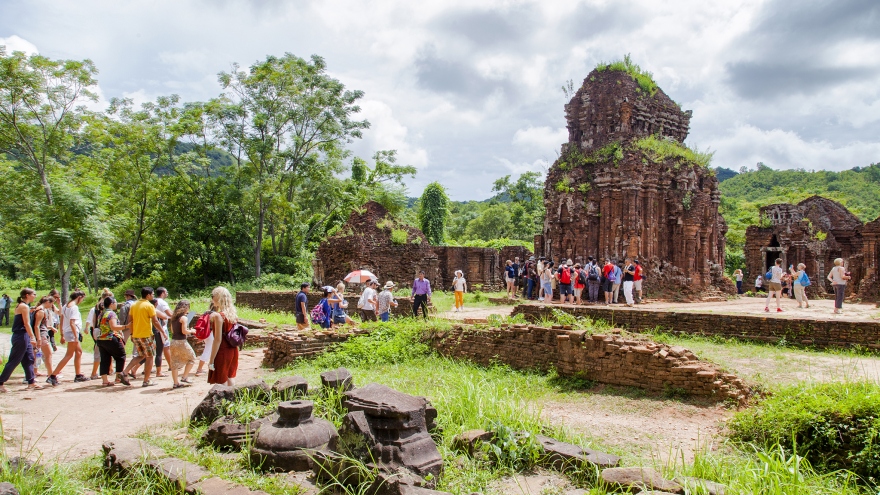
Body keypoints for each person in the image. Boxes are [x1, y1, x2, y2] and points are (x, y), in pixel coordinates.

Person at [0, 288, 41, 392]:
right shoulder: (23, 306)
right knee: (14, 360)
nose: (35, 296)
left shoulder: (24, 306)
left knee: (29, 358)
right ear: (27, 295)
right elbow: (26, 324)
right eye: (34, 294)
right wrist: (33, 337)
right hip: (21, 336)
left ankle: (31, 382)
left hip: (23, 335)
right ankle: (0, 383)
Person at [49, 290, 87, 384]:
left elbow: (62, 319)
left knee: (79, 352)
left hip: (68, 332)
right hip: (72, 332)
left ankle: (78, 375)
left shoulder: (66, 305)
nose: (82, 300)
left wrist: (62, 333)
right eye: (82, 299)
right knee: (69, 355)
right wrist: (76, 336)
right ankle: (53, 376)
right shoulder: (74, 307)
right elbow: (72, 323)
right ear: (79, 297)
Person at [129, 287, 164, 387]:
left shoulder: (134, 305)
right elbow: (156, 321)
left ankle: (125, 372)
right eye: (152, 294)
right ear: (148, 295)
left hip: (136, 335)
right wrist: (163, 332)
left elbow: (130, 321)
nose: (153, 296)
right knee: (149, 357)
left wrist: (132, 333)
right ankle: (146, 380)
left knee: (141, 356)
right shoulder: (149, 305)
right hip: (146, 335)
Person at [93, 296, 131, 387]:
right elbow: (114, 327)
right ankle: (118, 377)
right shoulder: (111, 314)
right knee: (121, 356)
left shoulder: (101, 313)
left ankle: (105, 381)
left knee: (105, 359)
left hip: (101, 339)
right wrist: (126, 326)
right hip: (111, 338)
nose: (116, 304)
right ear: (111, 304)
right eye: (115, 303)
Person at [207, 286, 239, 386]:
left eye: (213, 296)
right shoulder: (232, 314)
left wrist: (211, 359)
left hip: (223, 350)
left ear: (217, 298)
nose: (212, 299)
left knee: (221, 378)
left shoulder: (218, 316)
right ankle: (233, 400)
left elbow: (217, 339)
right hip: (233, 349)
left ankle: (224, 400)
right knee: (230, 376)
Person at [168, 300, 197, 389]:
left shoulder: (173, 318)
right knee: (192, 358)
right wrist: (191, 331)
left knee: (174, 363)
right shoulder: (184, 318)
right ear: (186, 308)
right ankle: (184, 377)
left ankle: (176, 383)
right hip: (181, 342)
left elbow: (172, 331)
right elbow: (184, 331)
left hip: (173, 341)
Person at [86, 288, 113, 380]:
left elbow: (94, 321)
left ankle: (107, 370)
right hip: (105, 330)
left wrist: (94, 331)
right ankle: (95, 373)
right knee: (105, 351)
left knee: (100, 351)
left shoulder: (96, 306)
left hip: (97, 329)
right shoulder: (105, 307)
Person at [33, 296, 56, 381]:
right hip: (42, 336)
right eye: (51, 303)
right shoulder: (40, 311)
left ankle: (49, 374)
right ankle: (51, 375)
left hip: (42, 335)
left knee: (39, 355)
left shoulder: (38, 309)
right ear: (47, 302)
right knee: (48, 354)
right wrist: (39, 338)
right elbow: (36, 326)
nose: (51, 305)